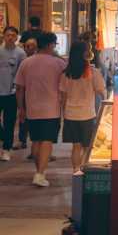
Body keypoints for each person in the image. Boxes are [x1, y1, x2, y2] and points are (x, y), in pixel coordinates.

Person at [15, 32, 67, 187]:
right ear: (51, 45)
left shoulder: (26, 62)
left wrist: (21, 109)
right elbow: (65, 88)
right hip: (52, 109)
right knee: (47, 141)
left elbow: (19, 88)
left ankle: (39, 172)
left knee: (36, 141)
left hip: (32, 108)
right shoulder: (59, 64)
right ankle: (39, 173)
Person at [60, 41, 106, 174]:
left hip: (70, 114)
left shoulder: (65, 73)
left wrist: (63, 114)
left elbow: (63, 96)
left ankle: (76, 171)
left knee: (76, 146)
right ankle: (84, 170)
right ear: (86, 54)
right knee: (87, 146)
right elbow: (101, 91)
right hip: (87, 114)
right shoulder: (93, 72)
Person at [0, 27, 27, 161]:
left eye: (13, 35)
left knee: (9, 122)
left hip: (12, 92)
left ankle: (6, 148)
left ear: (17, 37)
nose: (10, 37)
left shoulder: (21, 53)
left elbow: (23, 74)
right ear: (3, 36)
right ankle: (4, 137)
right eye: (8, 35)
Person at [14, 38, 36, 150]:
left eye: (31, 46)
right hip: (24, 92)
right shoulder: (22, 60)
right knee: (23, 117)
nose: (29, 48)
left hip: (36, 95)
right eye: (27, 46)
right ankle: (22, 140)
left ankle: (36, 144)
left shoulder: (38, 61)